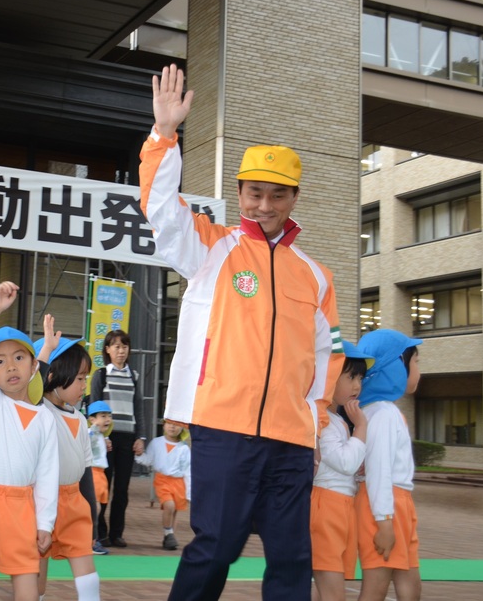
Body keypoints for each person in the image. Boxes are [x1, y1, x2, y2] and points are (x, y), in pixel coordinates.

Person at [140, 64, 345, 600]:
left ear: (295, 198)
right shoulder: (212, 248)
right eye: (255, 193)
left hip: (291, 440)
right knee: (216, 545)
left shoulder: (317, 274)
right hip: (223, 426)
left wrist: (315, 422)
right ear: (240, 192)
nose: (265, 206)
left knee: (292, 558)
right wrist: (164, 136)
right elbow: (161, 212)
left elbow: (328, 357)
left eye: (278, 196)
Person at [0, 281, 58, 601]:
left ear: (34, 366)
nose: (10, 366)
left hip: (21, 506)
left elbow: (47, 475)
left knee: (26, 569)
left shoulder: (45, 417)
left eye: (19, 357)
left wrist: (45, 522)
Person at [34, 314, 101, 601]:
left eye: (86, 378)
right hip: (41, 500)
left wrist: (94, 517)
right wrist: (46, 351)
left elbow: (86, 469)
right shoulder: (38, 411)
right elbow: (33, 387)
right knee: (37, 565)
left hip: (74, 501)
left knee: (85, 563)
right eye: (80, 379)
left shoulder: (81, 419)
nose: (84, 385)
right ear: (54, 377)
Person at [355, 330, 423, 601]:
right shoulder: (382, 413)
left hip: (397, 503)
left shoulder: (379, 411)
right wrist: (384, 522)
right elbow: (379, 472)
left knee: (409, 578)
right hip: (384, 505)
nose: (419, 370)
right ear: (395, 366)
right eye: (415, 362)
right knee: (377, 585)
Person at [311, 341, 373, 601]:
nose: (357, 385)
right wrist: (361, 427)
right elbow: (345, 463)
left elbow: (346, 465)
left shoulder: (334, 419)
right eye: (349, 377)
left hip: (339, 506)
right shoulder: (323, 419)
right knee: (332, 590)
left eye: (359, 377)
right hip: (326, 506)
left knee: (325, 586)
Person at [88, 329, 146, 548]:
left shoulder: (135, 376)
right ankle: (100, 533)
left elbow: (139, 409)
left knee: (122, 489)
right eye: (116, 346)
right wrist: (100, 436)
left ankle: (117, 533)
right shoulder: (100, 375)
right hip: (106, 440)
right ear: (107, 349)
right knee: (103, 487)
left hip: (128, 438)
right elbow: (92, 408)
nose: (121, 351)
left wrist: (141, 437)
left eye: (124, 346)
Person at [135, 420, 191, 551]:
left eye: (176, 424)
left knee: (175, 510)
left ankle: (170, 537)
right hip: (162, 480)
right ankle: (168, 533)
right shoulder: (156, 442)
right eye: (169, 423)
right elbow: (149, 459)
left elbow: (188, 470)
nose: (172, 427)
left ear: (182, 428)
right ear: (164, 425)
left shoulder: (184, 448)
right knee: (169, 505)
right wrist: (139, 455)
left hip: (179, 482)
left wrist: (189, 492)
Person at [86, 401, 112, 556]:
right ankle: (91, 542)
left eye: (109, 416)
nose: (107, 419)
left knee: (98, 510)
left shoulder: (102, 436)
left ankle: (92, 540)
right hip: (93, 474)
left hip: (101, 475)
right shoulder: (91, 432)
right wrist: (95, 429)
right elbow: (88, 440)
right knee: (93, 510)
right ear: (92, 419)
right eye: (103, 416)